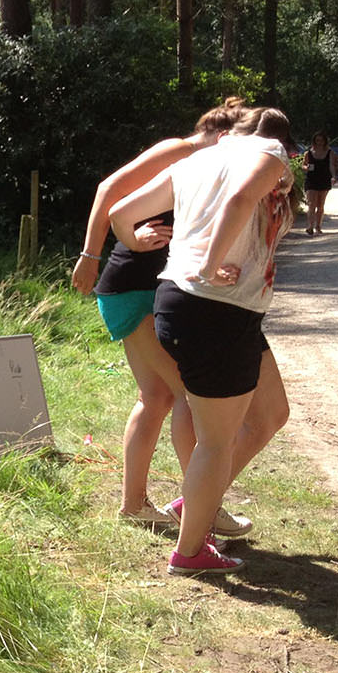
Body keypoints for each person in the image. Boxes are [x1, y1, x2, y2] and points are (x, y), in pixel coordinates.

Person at [109, 107, 295, 576]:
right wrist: (211, 264)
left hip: (205, 306)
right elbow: (237, 201)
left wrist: (134, 238)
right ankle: (190, 552)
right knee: (216, 439)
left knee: (272, 413)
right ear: (277, 141)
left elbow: (119, 212)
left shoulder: (199, 159)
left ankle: (192, 503)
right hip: (215, 310)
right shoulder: (268, 153)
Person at [71, 101, 253, 535]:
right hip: (130, 288)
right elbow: (108, 191)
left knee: (155, 397)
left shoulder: (207, 166)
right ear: (220, 134)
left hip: (141, 288)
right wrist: (91, 254)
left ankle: (135, 504)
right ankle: (203, 508)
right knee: (188, 395)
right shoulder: (179, 150)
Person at [301, 131, 336, 236]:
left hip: (324, 179)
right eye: (317, 140)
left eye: (321, 140)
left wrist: (333, 176)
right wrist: (306, 168)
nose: (319, 142)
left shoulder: (330, 152)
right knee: (311, 204)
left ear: (325, 141)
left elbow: (332, 166)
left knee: (320, 205)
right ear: (314, 141)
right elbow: (303, 165)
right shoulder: (308, 153)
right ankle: (310, 226)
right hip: (311, 179)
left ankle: (318, 226)